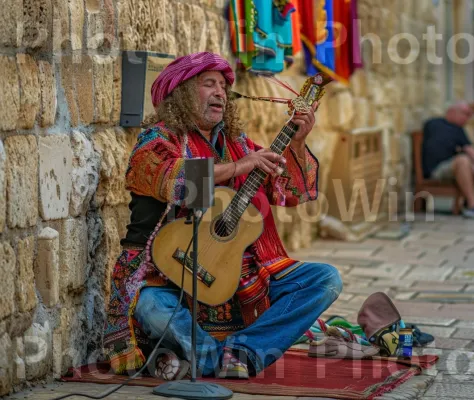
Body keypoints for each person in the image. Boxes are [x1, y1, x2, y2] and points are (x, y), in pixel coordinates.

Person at [102, 52, 343, 381]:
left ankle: (238, 351)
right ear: (184, 92)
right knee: (151, 308)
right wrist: (241, 167)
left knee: (325, 279)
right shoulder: (157, 140)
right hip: (172, 280)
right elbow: (177, 183)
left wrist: (297, 143)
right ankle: (224, 357)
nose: (220, 92)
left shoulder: (238, 143)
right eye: (209, 84)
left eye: (223, 86)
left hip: (242, 283)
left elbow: (292, 194)